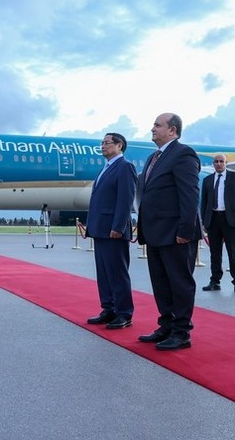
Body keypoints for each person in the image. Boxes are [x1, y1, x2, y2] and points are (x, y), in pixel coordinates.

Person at [136, 113, 201, 351]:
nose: (152, 128)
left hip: (176, 233)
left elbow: (189, 194)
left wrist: (185, 230)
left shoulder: (184, 154)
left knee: (179, 283)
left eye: (157, 125)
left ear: (172, 130)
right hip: (155, 232)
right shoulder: (154, 157)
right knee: (161, 283)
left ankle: (181, 332)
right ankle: (166, 325)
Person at [85, 133, 138, 329]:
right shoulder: (105, 168)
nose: (103, 146)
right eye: (102, 143)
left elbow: (126, 200)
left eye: (106, 143)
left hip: (113, 230)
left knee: (117, 273)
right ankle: (108, 309)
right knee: (104, 273)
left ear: (119, 145)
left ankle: (124, 313)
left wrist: (118, 226)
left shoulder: (125, 167)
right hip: (100, 229)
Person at [200, 153, 235, 294]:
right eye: (216, 161)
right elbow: (204, 202)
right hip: (213, 219)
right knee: (215, 253)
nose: (219, 164)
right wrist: (204, 221)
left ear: (226, 163)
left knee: (233, 252)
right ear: (213, 164)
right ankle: (215, 281)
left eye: (221, 161)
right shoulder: (208, 180)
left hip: (230, 220)